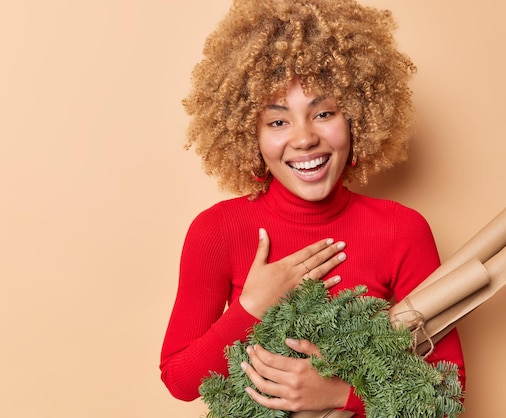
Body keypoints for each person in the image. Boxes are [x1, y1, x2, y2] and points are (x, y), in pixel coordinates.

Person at [160, 0, 465, 415]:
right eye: (278, 121)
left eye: (323, 113)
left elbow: (448, 388)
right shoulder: (218, 230)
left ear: (358, 117)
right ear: (250, 134)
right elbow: (180, 380)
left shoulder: (401, 230)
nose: (304, 139)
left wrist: (341, 395)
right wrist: (252, 307)